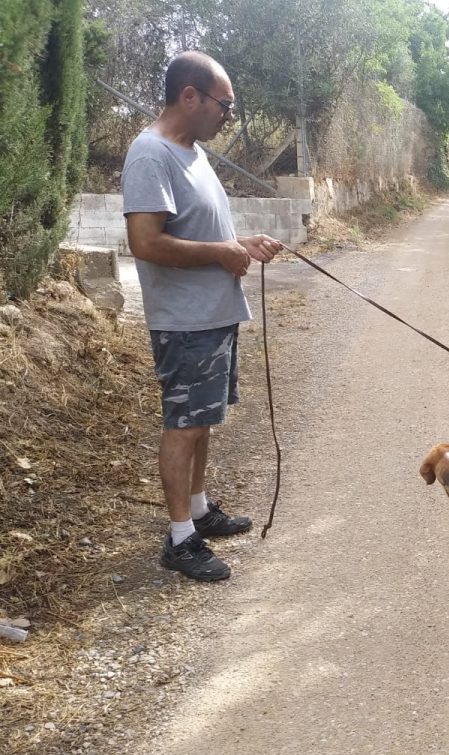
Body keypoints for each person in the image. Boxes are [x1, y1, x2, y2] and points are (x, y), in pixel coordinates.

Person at [122, 51, 283, 581]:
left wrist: (240, 244)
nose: (228, 117)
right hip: (184, 321)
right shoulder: (151, 154)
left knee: (204, 420)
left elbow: (202, 231)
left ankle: (197, 509)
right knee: (183, 425)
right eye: (224, 105)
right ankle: (179, 539)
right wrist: (219, 253)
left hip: (212, 315)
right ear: (189, 96)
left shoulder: (194, 152)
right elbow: (146, 242)